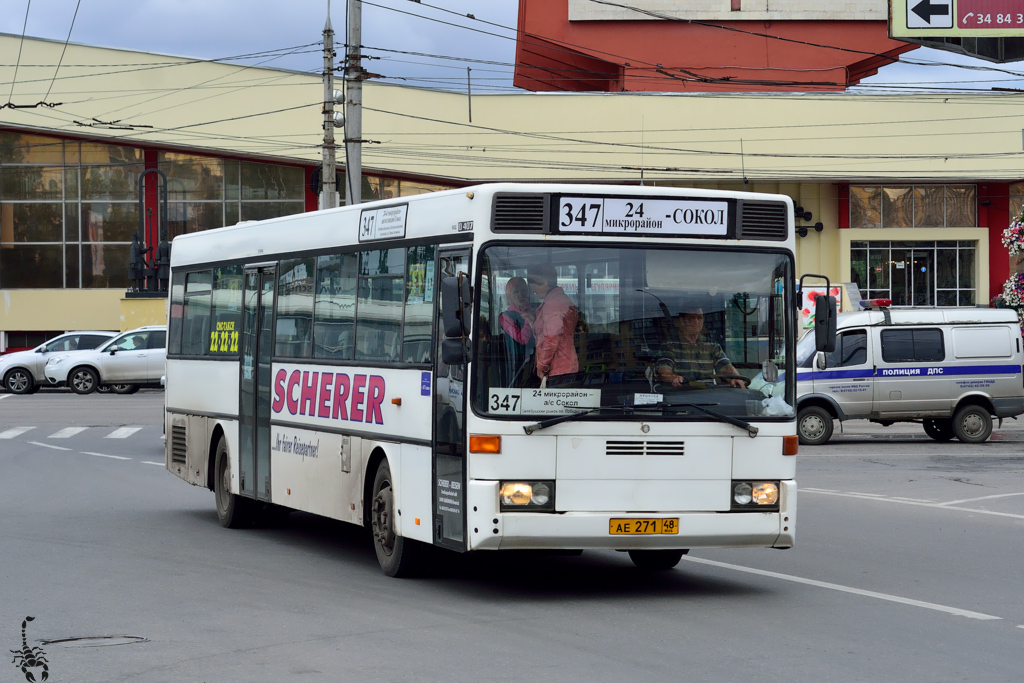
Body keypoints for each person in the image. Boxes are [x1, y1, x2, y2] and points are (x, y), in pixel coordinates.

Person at [656, 306, 745, 388]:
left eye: (699, 318)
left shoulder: (712, 345)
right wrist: (673, 378)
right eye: (691, 318)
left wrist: (736, 377)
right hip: (680, 396)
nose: (696, 322)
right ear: (682, 321)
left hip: (707, 396)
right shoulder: (670, 345)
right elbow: (663, 370)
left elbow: (725, 366)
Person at [527, 264, 579, 382]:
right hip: (566, 365)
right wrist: (533, 323)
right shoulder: (561, 299)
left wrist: (542, 366)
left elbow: (551, 338)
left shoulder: (553, 304)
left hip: (558, 369)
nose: (533, 291)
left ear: (544, 282)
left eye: (534, 286)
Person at [498, 276, 535, 386]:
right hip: (518, 363)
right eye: (516, 292)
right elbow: (522, 339)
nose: (520, 295)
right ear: (509, 295)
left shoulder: (535, 309)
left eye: (523, 291)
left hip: (537, 360)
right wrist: (530, 319)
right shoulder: (505, 316)